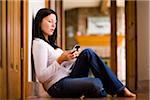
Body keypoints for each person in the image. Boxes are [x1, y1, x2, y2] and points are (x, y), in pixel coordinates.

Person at [32, 8, 136, 98]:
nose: (53, 26)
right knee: (97, 83)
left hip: (68, 76)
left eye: (55, 22)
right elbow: (41, 77)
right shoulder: (39, 44)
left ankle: (120, 89)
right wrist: (60, 59)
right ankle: (106, 89)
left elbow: (62, 67)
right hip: (56, 86)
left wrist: (71, 58)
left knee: (87, 52)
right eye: (50, 21)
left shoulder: (51, 45)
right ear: (39, 22)